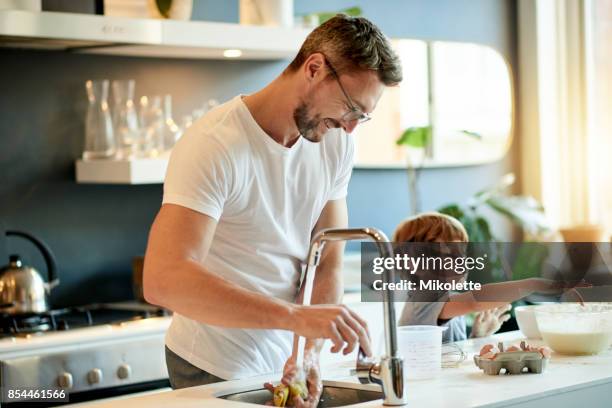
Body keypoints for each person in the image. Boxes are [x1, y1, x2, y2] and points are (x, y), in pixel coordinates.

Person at [143, 14, 402, 407]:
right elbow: (164, 279)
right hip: (213, 359)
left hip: (284, 353)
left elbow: (328, 258)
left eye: (362, 117)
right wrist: (295, 318)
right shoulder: (216, 144)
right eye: (351, 108)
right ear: (314, 68)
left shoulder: (334, 141)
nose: (351, 128)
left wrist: (308, 352)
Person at [393, 212, 577, 342]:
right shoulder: (423, 299)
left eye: (460, 252)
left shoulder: (446, 301)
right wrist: (533, 284)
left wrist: (476, 337)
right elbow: (475, 301)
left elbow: (450, 358)